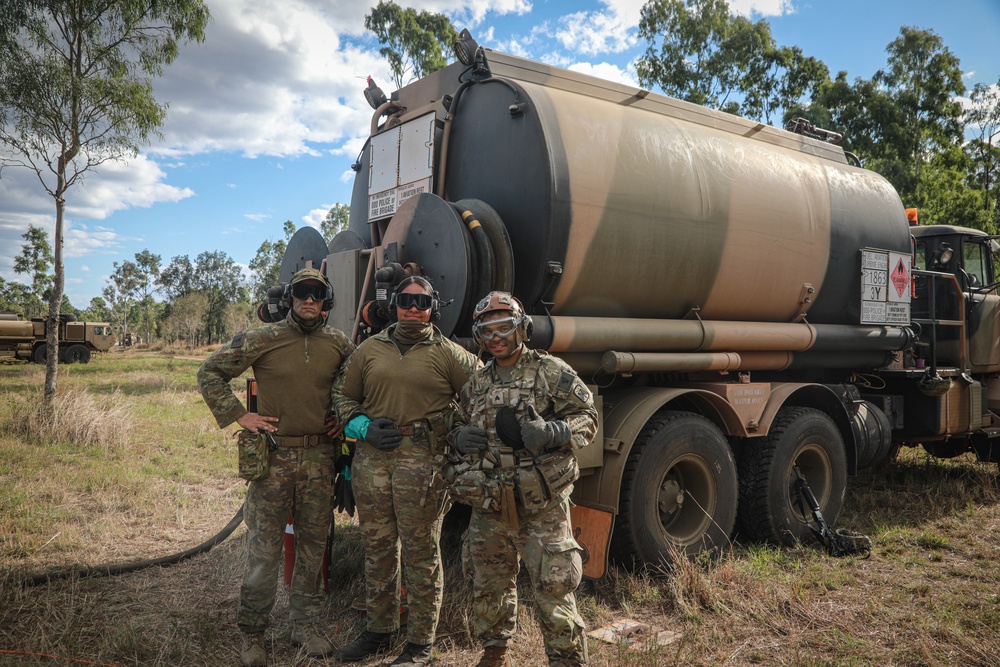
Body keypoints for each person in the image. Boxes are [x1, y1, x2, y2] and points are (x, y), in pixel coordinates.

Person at [198, 268, 355, 667]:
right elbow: (211, 372)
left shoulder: (339, 343)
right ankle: (253, 633)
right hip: (273, 459)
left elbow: (356, 387)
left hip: (320, 459)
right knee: (264, 550)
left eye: (317, 294)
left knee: (312, 546)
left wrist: (344, 415)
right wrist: (239, 415)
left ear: (326, 301)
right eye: (301, 293)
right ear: (289, 298)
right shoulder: (263, 338)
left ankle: (305, 625)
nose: (309, 300)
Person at [332, 275, 479, 667]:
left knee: (421, 554)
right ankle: (379, 631)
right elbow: (342, 394)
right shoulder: (369, 349)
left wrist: (459, 433)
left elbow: (484, 397)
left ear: (434, 307)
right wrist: (359, 425)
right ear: (394, 304)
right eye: (405, 300)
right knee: (378, 549)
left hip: (424, 466)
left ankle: (420, 644)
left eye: (421, 301)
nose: (413, 308)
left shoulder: (450, 354)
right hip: (372, 463)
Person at [451, 291, 597, 667]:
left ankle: (566, 660)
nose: (496, 336)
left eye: (504, 326)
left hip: (541, 506)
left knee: (554, 588)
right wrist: (458, 436)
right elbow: (457, 426)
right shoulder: (476, 385)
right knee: (489, 585)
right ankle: (494, 653)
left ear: (522, 328)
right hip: (490, 504)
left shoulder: (551, 371)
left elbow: (588, 418)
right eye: (487, 329)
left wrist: (554, 432)